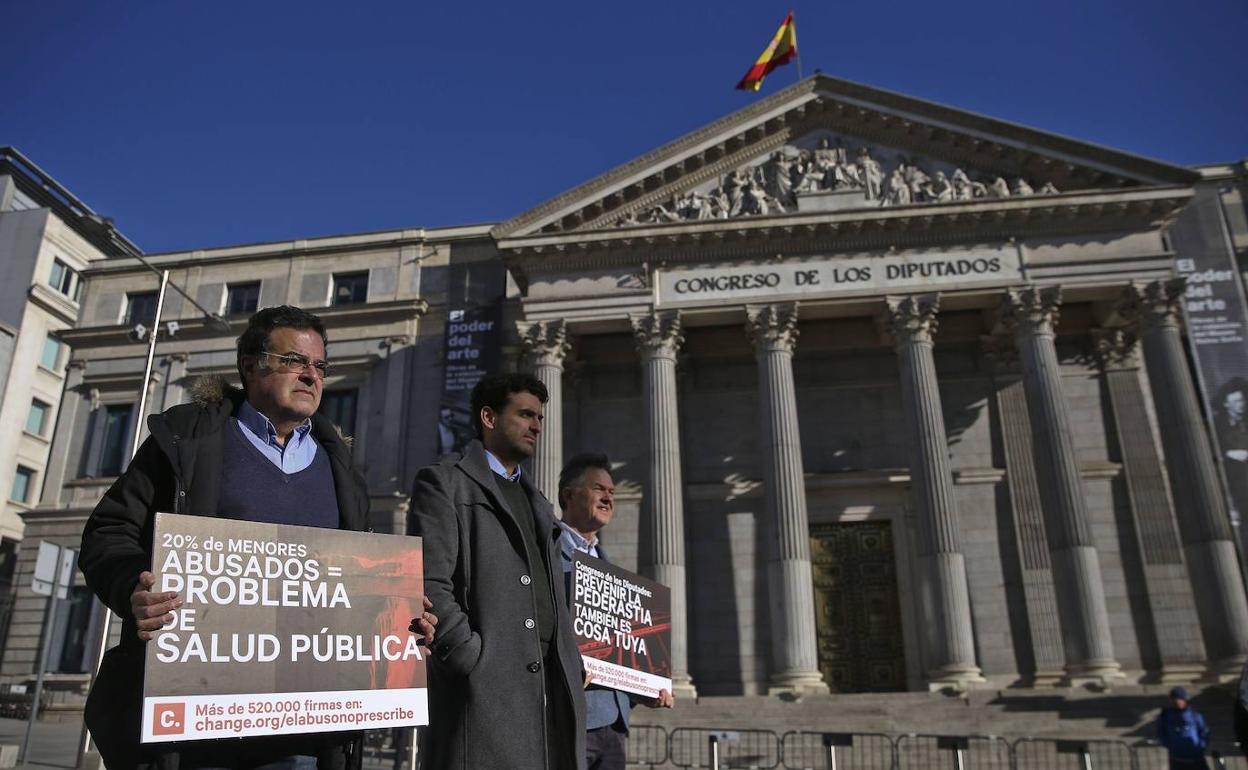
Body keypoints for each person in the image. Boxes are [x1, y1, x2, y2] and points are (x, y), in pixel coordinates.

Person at [78, 305, 436, 770]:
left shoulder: (340, 470)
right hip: (196, 731)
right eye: (294, 361)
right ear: (250, 366)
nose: (311, 375)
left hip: (306, 733)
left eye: (320, 366)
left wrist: (404, 620)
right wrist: (134, 588)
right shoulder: (188, 441)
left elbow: (353, 589)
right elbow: (108, 532)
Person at [410, 373, 586, 770]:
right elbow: (430, 581)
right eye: (525, 414)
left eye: (539, 417)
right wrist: (470, 658)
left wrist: (571, 659)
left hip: (550, 690)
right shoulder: (445, 483)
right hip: (484, 694)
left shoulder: (539, 503)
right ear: (489, 417)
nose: (537, 426)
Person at [555, 454, 673, 770]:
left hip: (614, 724)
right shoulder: (546, 554)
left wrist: (644, 690)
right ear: (569, 495)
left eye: (612, 491)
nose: (609, 497)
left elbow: (619, 652)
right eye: (598, 489)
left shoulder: (608, 567)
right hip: (571, 720)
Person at [1156, 686, 1211, 769]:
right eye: (1175, 699)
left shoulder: (1195, 715)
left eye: (1180, 698)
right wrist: (1170, 745)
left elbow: (1204, 731)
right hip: (1176, 758)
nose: (1178, 702)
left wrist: (1200, 746)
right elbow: (1160, 732)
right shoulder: (1166, 716)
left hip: (1196, 758)